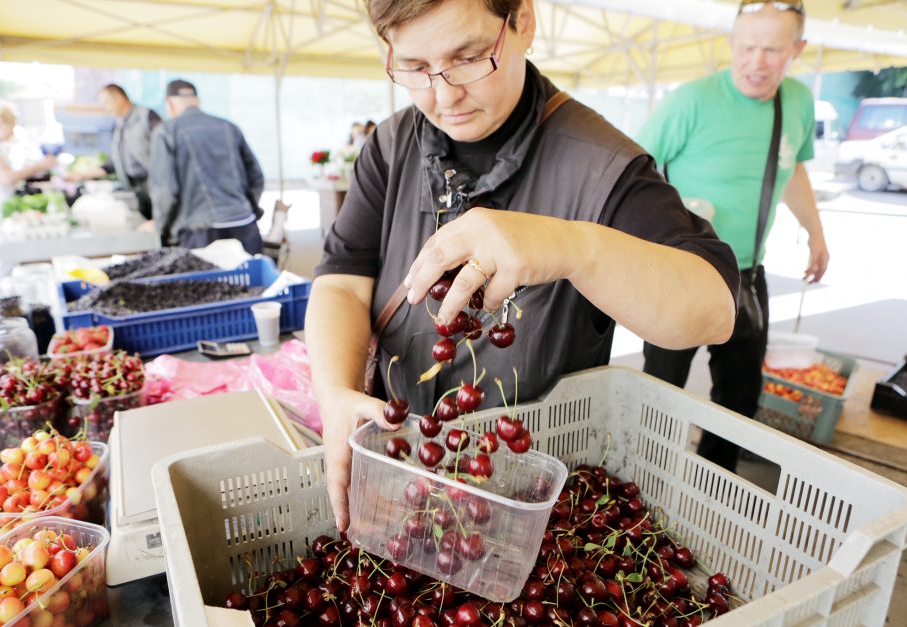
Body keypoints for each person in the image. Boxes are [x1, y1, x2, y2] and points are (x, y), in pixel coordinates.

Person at [305, 0, 742, 533]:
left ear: (523, 21)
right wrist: (333, 394)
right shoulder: (393, 145)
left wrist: (574, 245)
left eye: (468, 57)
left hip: (534, 501)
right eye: (415, 68)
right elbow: (342, 283)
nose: (443, 96)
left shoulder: (602, 164)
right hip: (401, 477)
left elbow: (713, 309)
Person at [636, 0, 829, 472]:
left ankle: (713, 484)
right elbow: (629, 171)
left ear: (797, 49)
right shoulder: (690, 101)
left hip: (746, 273)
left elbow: (792, 170)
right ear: (731, 44)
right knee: (660, 390)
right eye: (746, 48)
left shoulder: (798, 103)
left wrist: (815, 233)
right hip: (679, 273)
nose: (756, 63)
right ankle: (642, 479)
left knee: (740, 398)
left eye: (771, 50)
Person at [148, 79, 265, 255]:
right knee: (254, 279)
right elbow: (256, 177)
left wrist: (161, 226)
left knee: (204, 282)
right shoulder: (229, 127)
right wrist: (248, 208)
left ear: (169, 104)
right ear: (197, 101)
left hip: (200, 232)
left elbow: (165, 191)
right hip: (243, 223)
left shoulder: (165, 133)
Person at [0, 105, 56, 297]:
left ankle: (7, 298)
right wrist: (39, 166)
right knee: (0, 257)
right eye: (11, 126)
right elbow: (6, 177)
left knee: (4, 255)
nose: (12, 131)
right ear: (0, 123)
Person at [69, 84, 161, 220]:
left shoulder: (147, 117)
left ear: (119, 98)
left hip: (155, 186)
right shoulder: (118, 125)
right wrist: (81, 175)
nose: (104, 108)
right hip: (135, 190)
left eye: (106, 103)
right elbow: (113, 163)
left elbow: (165, 153)